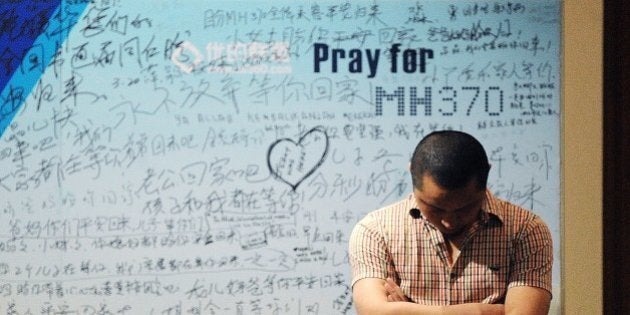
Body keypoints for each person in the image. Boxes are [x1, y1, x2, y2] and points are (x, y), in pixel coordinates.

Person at [348, 130, 553, 315]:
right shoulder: (376, 230)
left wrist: (408, 310)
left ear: (487, 175)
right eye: (435, 208)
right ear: (412, 172)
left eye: (465, 207)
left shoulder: (526, 229)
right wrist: (476, 311)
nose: (448, 221)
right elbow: (373, 312)